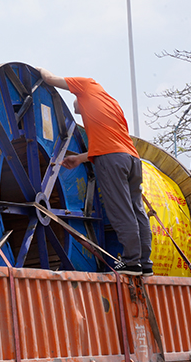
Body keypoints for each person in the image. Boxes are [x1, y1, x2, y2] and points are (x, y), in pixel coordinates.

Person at [38, 67, 152, 277]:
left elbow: (49, 78)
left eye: (76, 102)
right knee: (137, 210)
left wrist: (37, 69)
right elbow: (109, 143)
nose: (76, 107)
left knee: (121, 210)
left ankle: (131, 262)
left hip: (112, 160)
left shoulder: (86, 84)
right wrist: (79, 159)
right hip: (132, 159)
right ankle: (145, 263)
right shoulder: (112, 105)